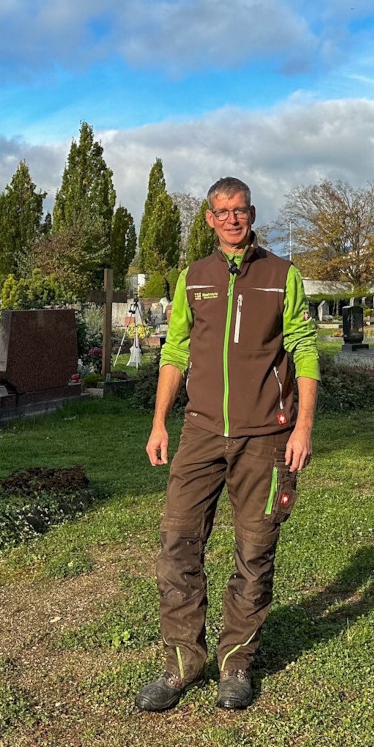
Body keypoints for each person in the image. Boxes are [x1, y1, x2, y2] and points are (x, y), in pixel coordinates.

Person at [135, 176, 319, 713]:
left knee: (255, 549)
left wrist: (302, 428)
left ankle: (236, 662)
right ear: (210, 219)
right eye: (222, 212)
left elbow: (303, 351)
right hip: (200, 431)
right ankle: (181, 663)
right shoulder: (194, 279)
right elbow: (174, 351)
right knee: (177, 543)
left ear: (252, 214)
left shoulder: (282, 275)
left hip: (265, 436)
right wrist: (159, 423)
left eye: (240, 210)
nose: (232, 219)